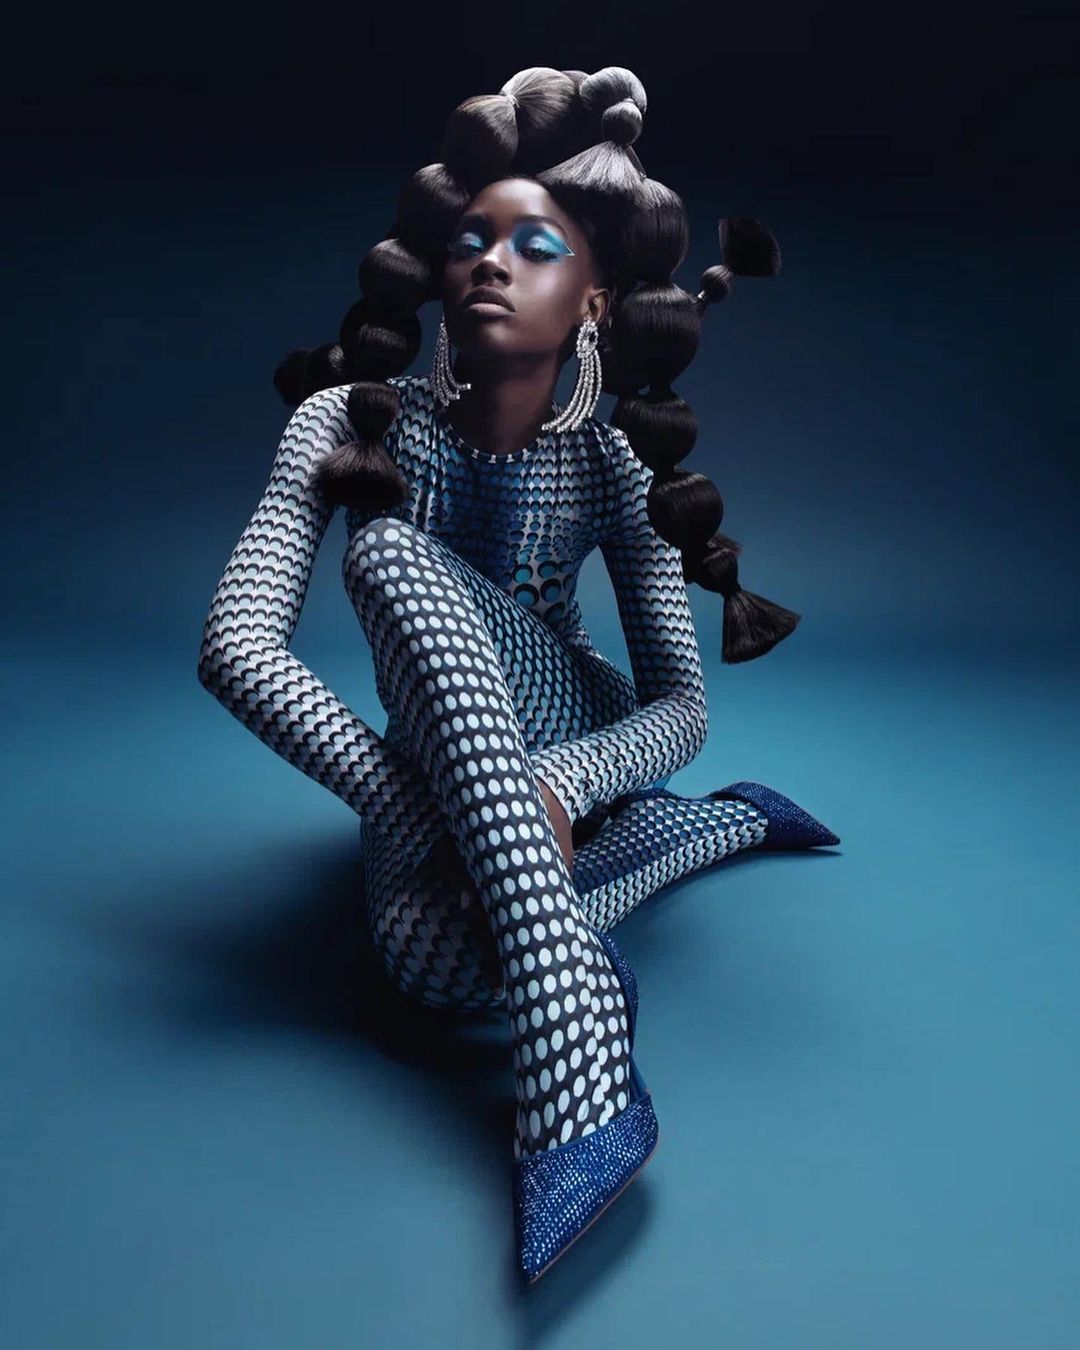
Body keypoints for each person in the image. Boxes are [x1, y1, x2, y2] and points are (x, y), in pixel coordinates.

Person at [197, 64, 840, 1283]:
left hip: (567, 724)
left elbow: (682, 707)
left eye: (534, 246)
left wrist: (562, 782)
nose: (492, 263)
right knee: (427, 966)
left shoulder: (613, 459)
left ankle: (574, 1028)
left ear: (593, 300)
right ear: (440, 276)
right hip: (441, 769)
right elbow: (235, 645)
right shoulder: (344, 419)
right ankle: (683, 842)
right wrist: (409, 803)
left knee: (386, 552)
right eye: (471, 243)